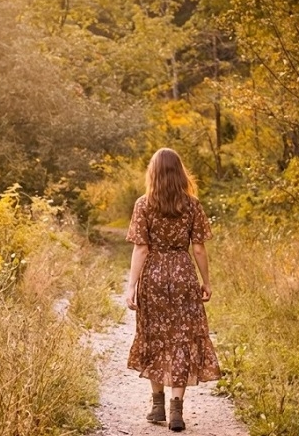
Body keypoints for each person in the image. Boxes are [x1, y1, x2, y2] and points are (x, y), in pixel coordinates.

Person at [124, 147, 222, 432]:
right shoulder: (192, 205)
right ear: (180, 173)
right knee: (181, 340)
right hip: (183, 276)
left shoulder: (143, 204)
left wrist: (131, 286)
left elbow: (141, 249)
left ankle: (158, 406)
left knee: (155, 336)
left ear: (153, 173)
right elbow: (199, 248)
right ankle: (176, 410)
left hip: (153, 277)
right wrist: (206, 281)